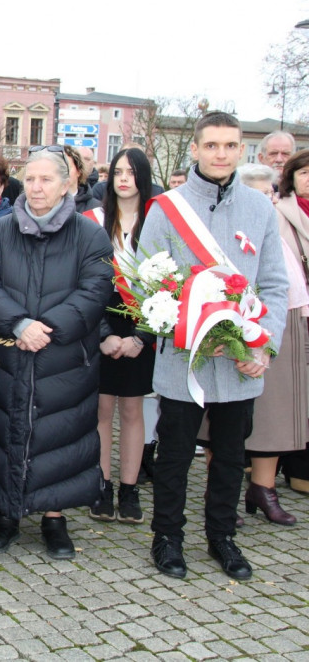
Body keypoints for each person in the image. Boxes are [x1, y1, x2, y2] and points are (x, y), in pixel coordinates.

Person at [138, 111, 288, 581]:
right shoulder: (167, 208)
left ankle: (223, 538)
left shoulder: (261, 208)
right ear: (196, 149)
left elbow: (274, 285)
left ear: (241, 148)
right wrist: (193, 329)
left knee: (229, 456)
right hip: (184, 358)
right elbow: (146, 283)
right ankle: (167, 537)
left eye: (230, 146)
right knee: (175, 456)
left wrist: (264, 346)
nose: (221, 154)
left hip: (242, 361)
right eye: (212, 145)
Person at [0, 148, 113, 560]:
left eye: (47, 180)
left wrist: (46, 328)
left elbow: (96, 289)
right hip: (8, 353)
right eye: (30, 179)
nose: (36, 188)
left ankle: (54, 518)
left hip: (65, 356)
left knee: (61, 436)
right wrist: (18, 324)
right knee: (3, 431)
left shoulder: (90, 234)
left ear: (67, 184)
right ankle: (5, 515)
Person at [84, 148, 156, 524]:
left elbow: (170, 288)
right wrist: (103, 335)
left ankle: (129, 490)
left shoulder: (159, 221)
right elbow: (83, 284)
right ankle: (102, 484)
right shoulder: (94, 220)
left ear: (143, 177)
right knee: (102, 409)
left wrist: (140, 336)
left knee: (132, 408)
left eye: (131, 172)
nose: (123, 178)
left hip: (144, 327)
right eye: (117, 172)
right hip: (100, 323)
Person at [252, 150, 309, 514]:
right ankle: (221, 490)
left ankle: (263, 488)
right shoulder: (279, 216)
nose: (265, 201)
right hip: (244, 320)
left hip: (287, 316)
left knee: (275, 411)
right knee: (225, 417)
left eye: (267, 193)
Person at [61, 145, 98, 212]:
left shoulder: (96, 210)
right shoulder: (41, 207)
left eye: (67, 167)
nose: (63, 172)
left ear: (78, 171)